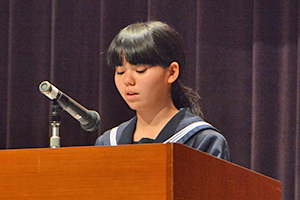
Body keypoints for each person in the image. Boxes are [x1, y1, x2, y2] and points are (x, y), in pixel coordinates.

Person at [95, 21, 230, 161]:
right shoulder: (108, 143)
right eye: (120, 72)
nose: (128, 80)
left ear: (172, 72)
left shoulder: (202, 141)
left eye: (140, 70)